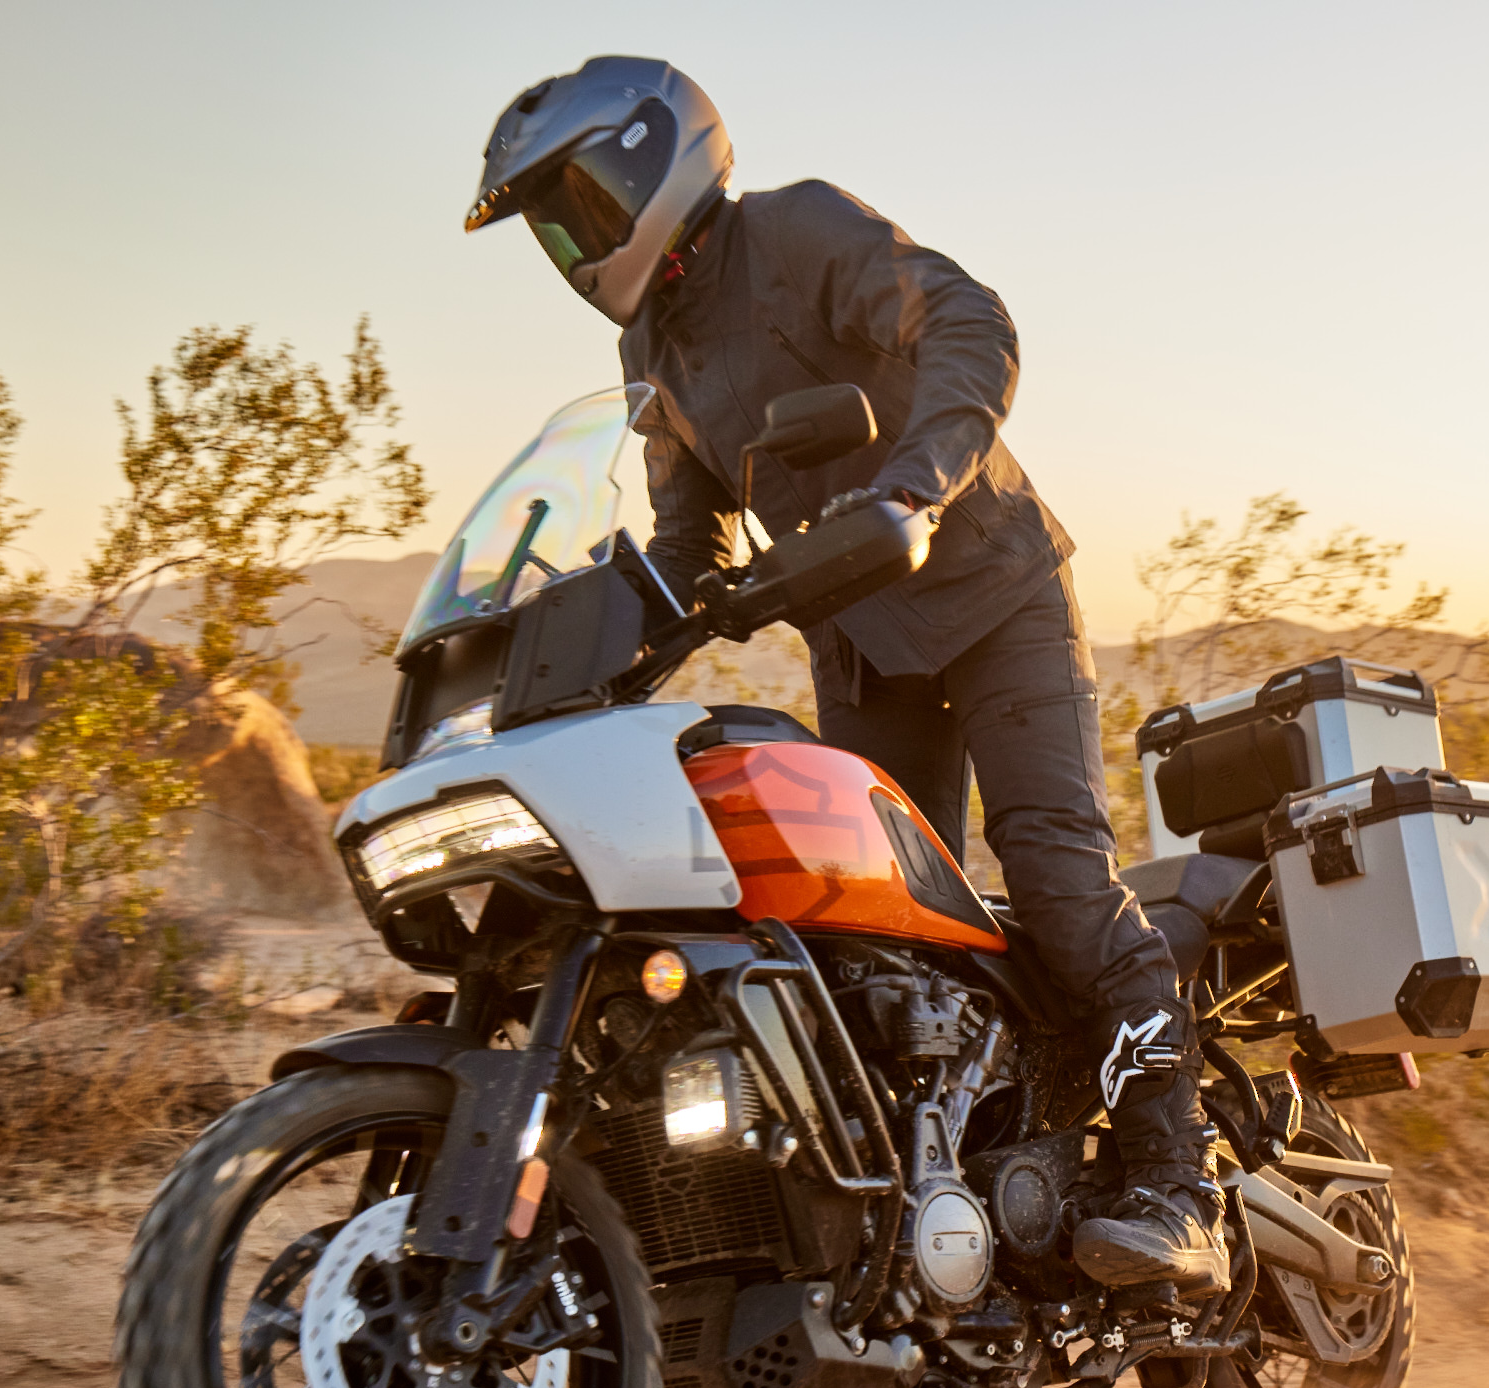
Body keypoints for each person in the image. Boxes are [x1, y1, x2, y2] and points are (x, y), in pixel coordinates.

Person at [466, 56, 1226, 1295]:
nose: (569, 237)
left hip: (991, 592)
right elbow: (687, 537)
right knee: (860, 931)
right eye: (551, 221)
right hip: (863, 644)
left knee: (1054, 869)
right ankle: (944, 1205)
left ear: (658, 157)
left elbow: (968, 322)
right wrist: (593, 641)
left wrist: (915, 486)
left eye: (578, 201)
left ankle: (1173, 1184)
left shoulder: (796, 226)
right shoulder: (651, 349)